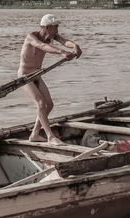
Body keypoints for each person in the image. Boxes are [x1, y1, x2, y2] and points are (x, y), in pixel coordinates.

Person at [18, 14, 82, 145]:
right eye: (55, 27)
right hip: (25, 76)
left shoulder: (52, 37)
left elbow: (64, 41)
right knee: (40, 103)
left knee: (49, 104)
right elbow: (41, 46)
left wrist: (74, 45)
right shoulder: (32, 36)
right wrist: (62, 52)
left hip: (37, 75)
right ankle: (50, 136)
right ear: (47, 27)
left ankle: (35, 134)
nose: (57, 31)